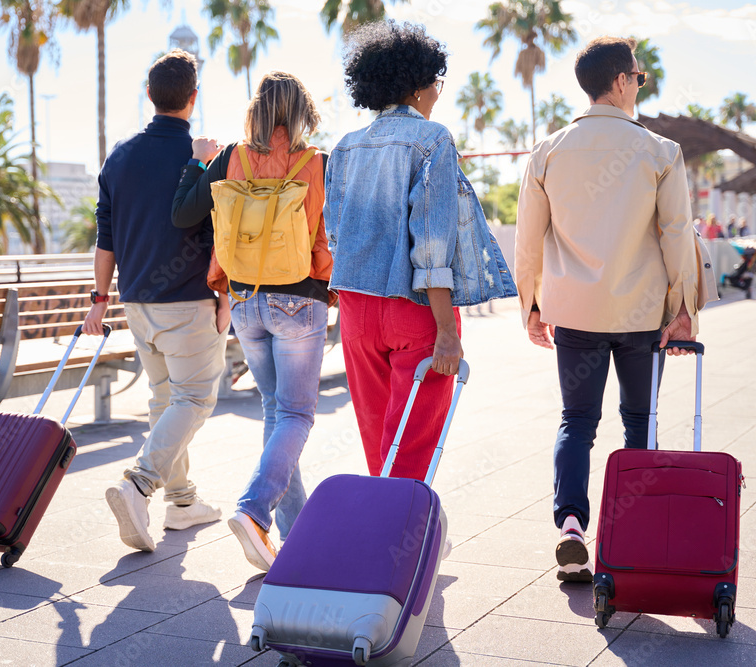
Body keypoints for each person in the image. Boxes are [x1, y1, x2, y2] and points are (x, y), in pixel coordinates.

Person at [515, 36, 702, 583]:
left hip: (574, 313)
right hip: (644, 316)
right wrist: (684, 306)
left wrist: (531, 305)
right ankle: (636, 532)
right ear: (621, 81)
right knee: (639, 420)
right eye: (638, 78)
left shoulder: (548, 150)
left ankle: (572, 524)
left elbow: (529, 240)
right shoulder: (661, 151)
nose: (639, 85)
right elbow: (674, 236)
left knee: (577, 422)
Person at [325, 21, 516, 483]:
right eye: (436, 81)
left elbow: (335, 234)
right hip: (412, 308)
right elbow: (432, 245)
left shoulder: (345, 148)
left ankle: (386, 528)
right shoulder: (432, 140)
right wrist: (448, 331)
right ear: (417, 85)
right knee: (411, 446)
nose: (438, 92)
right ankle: (401, 538)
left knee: (378, 441)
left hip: (355, 306)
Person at [171, 71, 331, 572]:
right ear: (301, 112)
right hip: (299, 301)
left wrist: (197, 160)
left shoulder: (231, 158)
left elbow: (184, 214)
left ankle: (295, 535)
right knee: (297, 416)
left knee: (275, 411)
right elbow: (328, 231)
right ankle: (254, 510)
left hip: (245, 300)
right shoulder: (315, 161)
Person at [85, 49, 228, 553]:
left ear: (149, 95)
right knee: (194, 399)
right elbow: (222, 234)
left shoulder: (119, 157)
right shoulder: (206, 156)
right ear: (193, 97)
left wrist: (99, 300)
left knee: (166, 399)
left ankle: (183, 501)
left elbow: (106, 239)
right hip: (189, 301)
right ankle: (140, 483)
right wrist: (226, 295)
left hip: (136, 303)